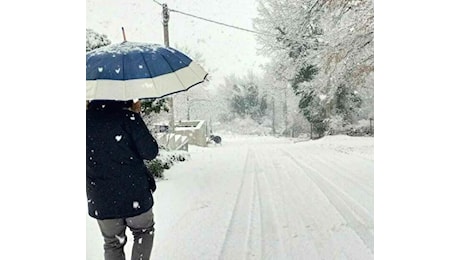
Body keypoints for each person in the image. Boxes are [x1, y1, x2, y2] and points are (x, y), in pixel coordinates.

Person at [86, 99, 159, 260]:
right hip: (135, 193)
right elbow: (150, 152)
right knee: (143, 232)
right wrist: (135, 116)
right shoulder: (128, 118)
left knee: (112, 243)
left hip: (101, 197)